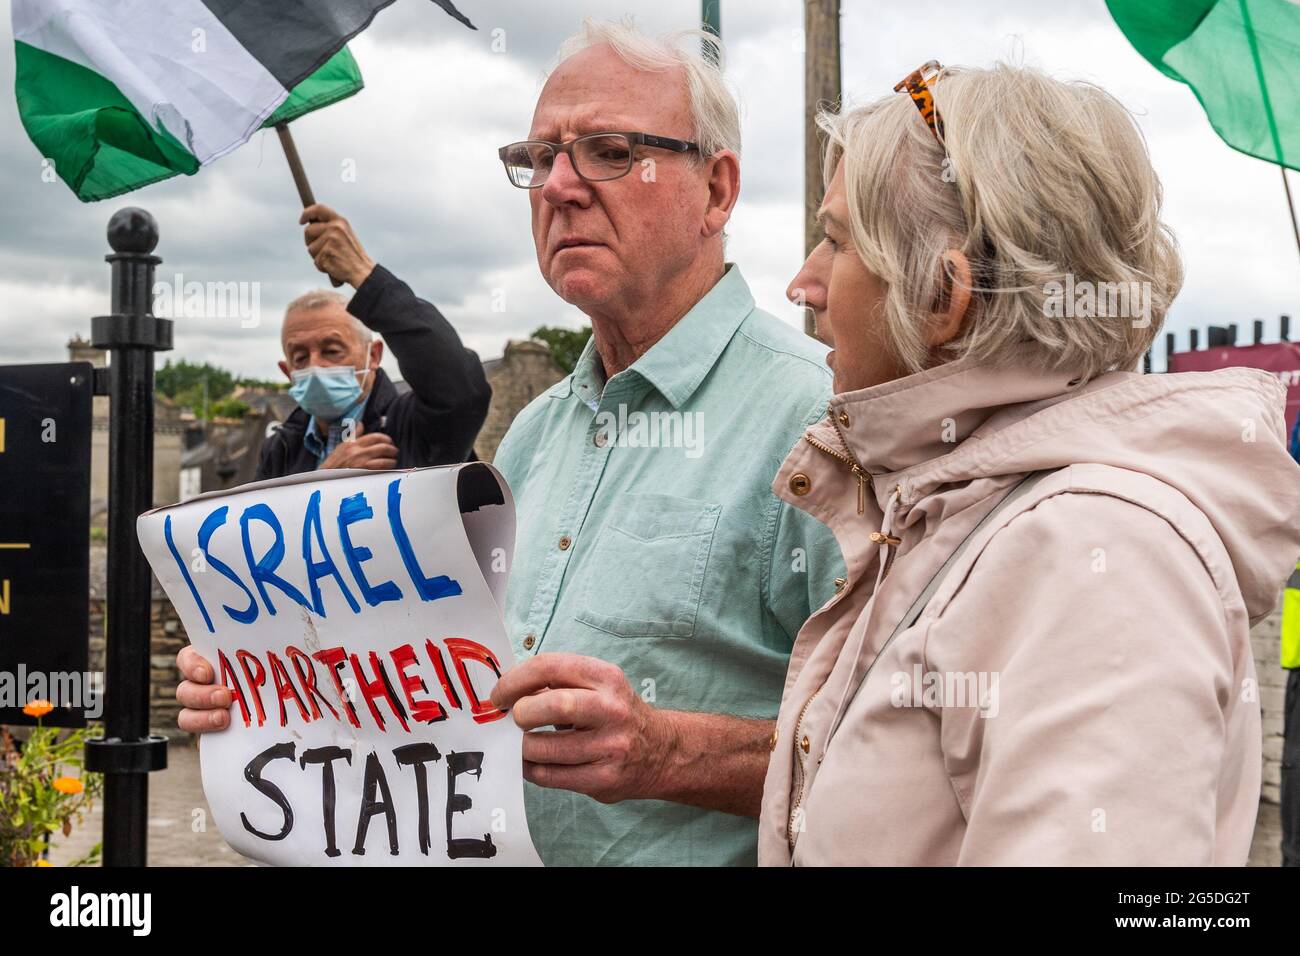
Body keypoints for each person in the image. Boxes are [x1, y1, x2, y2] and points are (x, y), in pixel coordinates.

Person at [175, 20, 844, 866]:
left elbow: (903, 753)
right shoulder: (534, 434)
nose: (558, 186)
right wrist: (276, 683)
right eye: (538, 159)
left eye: (607, 150)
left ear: (717, 190)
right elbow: (447, 690)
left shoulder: (823, 421)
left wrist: (668, 752)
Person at [759, 61, 1300, 865]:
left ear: (945, 296)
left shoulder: (1098, 555)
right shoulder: (968, 505)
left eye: (836, 242)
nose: (803, 283)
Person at [255, 204, 492, 479]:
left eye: (332, 350)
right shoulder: (279, 449)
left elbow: (459, 386)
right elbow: (254, 521)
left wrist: (362, 273)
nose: (316, 366)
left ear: (374, 355)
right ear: (287, 372)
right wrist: (322, 479)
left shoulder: (414, 425)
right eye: (300, 357)